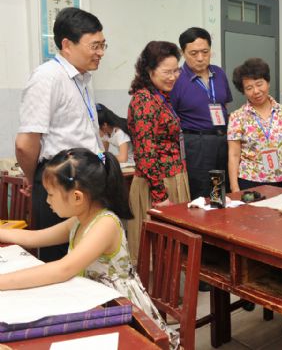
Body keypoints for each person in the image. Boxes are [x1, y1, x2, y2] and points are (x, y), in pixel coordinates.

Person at [0, 148, 179, 348]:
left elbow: (62, 269)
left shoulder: (105, 224)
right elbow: (35, 237)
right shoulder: (79, 220)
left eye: (50, 194)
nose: (47, 201)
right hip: (93, 303)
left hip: (123, 313)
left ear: (77, 197)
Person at [15, 7, 106, 262]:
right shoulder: (47, 77)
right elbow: (25, 144)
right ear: (67, 45)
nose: (100, 53)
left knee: (86, 257)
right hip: (60, 182)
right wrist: (35, 179)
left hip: (84, 180)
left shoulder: (81, 79)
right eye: (94, 46)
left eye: (103, 45)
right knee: (59, 258)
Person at [127, 41, 190, 263]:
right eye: (166, 72)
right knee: (155, 255)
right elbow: (145, 153)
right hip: (157, 184)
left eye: (176, 71)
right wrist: (160, 196)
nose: (173, 77)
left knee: (171, 252)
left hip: (172, 177)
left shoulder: (160, 96)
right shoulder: (143, 100)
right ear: (149, 70)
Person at [171, 27, 233, 200]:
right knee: (202, 191)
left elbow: (224, 105)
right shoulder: (177, 79)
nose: (200, 58)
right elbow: (172, 116)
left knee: (221, 191)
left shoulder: (219, 73)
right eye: (194, 53)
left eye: (205, 52)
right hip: (196, 143)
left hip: (222, 140)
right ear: (183, 53)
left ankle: (219, 214)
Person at [227, 58, 282, 192]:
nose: (256, 91)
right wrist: (234, 186)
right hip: (251, 180)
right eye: (249, 88)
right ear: (243, 91)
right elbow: (234, 154)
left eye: (259, 84)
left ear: (268, 82)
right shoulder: (237, 117)